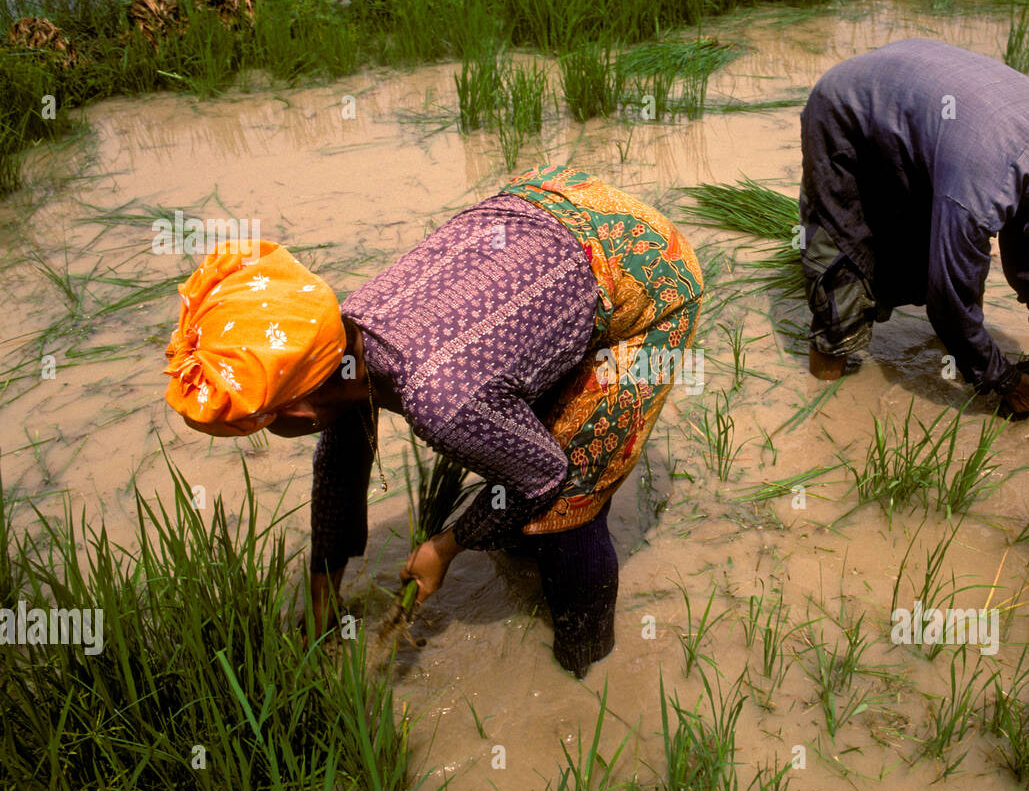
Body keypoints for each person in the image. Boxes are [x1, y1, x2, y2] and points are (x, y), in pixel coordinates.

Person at [162, 164, 705, 678]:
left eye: (266, 425)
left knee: (567, 504)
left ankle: (585, 668)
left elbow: (547, 476)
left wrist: (444, 549)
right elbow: (341, 466)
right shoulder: (339, 339)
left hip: (646, 271)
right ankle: (522, 548)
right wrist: (322, 598)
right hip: (558, 206)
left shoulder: (439, 399)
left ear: (300, 408)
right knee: (517, 438)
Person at [799, 38, 1029, 413]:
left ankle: (947, 345)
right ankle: (823, 411)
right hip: (845, 111)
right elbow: (948, 302)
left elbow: (1026, 231)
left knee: (921, 255)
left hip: (917, 111)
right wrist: (1004, 381)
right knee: (844, 271)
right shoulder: (984, 189)